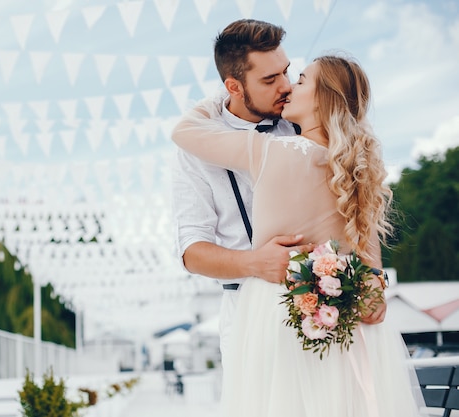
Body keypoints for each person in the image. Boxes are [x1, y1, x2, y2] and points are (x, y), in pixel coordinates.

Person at [172, 54, 424, 416]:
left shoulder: (273, 152)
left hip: (279, 312)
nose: (289, 86)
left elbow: (183, 132)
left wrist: (222, 97)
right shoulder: (358, 167)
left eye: (300, 80)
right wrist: (373, 286)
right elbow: (369, 262)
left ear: (322, 99)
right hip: (354, 319)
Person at [171, 18, 313, 368]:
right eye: (269, 79)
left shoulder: (303, 119)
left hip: (323, 297)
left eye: (286, 72)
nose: (286, 86)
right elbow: (191, 250)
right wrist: (255, 263)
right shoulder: (194, 146)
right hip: (246, 305)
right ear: (233, 87)